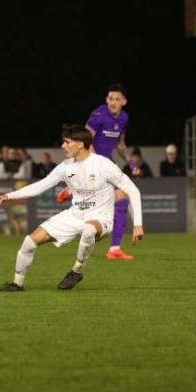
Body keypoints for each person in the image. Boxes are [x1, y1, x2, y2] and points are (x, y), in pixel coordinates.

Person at [0, 125, 144, 292]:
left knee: (88, 229)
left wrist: (137, 224)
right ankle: (17, 284)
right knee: (29, 242)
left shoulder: (103, 165)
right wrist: (8, 196)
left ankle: (76, 271)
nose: (63, 146)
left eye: (67, 142)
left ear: (80, 144)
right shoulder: (65, 166)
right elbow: (41, 185)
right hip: (74, 215)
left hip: (101, 218)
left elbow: (132, 189)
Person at [82, 83, 135, 260]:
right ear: (106, 99)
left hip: (108, 164)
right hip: (92, 161)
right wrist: (97, 162)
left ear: (124, 102)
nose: (113, 102)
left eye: (117, 99)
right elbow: (86, 141)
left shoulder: (124, 118)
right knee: (113, 201)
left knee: (121, 200)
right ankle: (71, 191)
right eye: (110, 98)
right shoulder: (99, 114)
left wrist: (130, 161)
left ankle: (114, 249)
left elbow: (120, 144)